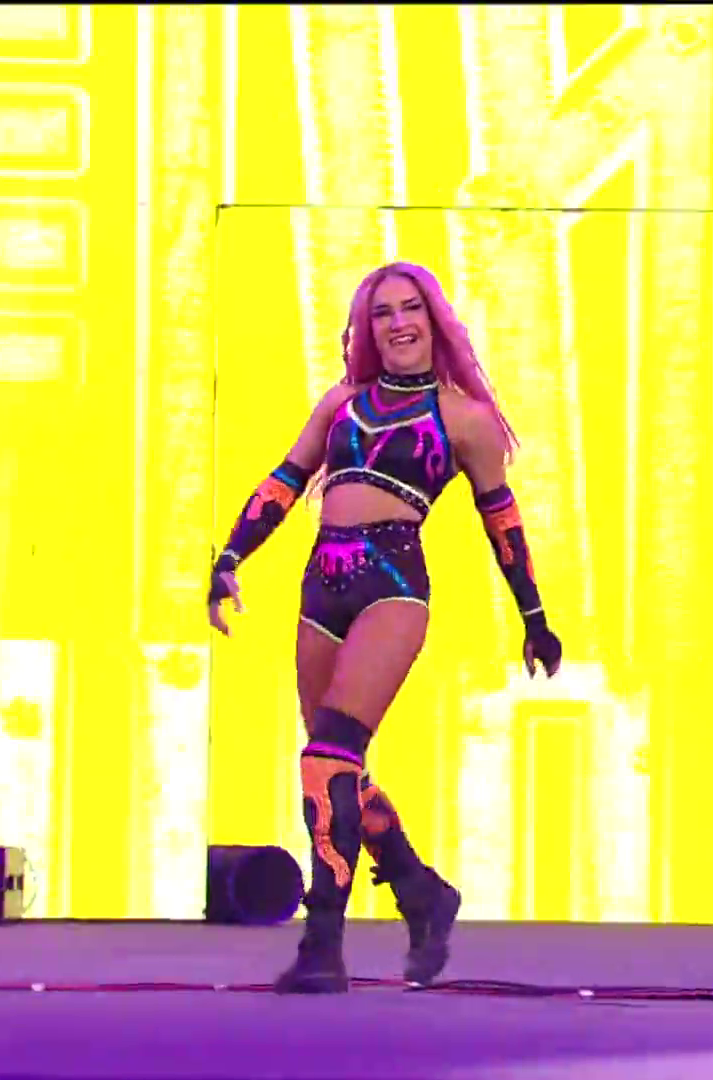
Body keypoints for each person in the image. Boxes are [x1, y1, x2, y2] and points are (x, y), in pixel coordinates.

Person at [206, 261, 563, 994]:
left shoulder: (464, 418)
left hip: (392, 586)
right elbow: (285, 480)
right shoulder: (340, 403)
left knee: (327, 757)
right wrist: (231, 557)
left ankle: (323, 944)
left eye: (410, 309)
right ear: (367, 330)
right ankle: (419, 890)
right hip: (321, 586)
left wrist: (535, 618)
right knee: (337, 769)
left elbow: (502, 521)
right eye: (382, 313)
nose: (398, 323)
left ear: (433, 320)